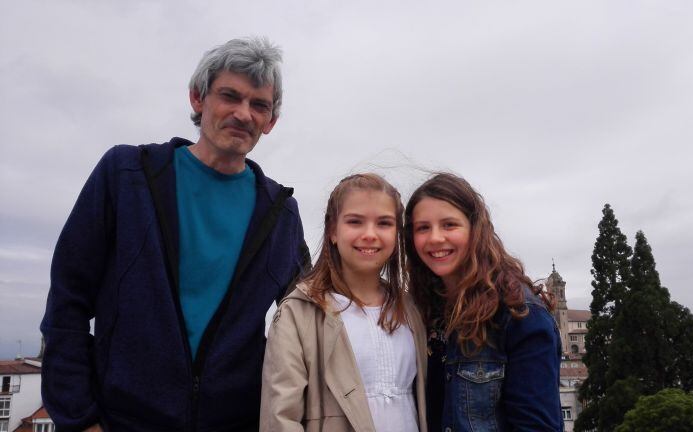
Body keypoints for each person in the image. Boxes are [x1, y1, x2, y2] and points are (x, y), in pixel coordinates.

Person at [40, 37, 309, 432]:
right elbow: (68, 300)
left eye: (259, 105)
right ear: (198, 99)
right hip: (122, 419)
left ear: (271, 122)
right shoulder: (127, 175)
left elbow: (307, 320)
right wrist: (79, 419)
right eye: (229, 96)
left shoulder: (281, 212)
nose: (243, 114)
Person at [260, 173, 428, 432]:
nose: (370, 234)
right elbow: (280, 418)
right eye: (355, 222)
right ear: (333, 232)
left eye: (384, 223)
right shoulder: (298, 313)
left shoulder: (411, 310)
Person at [405, 172, 563, 432]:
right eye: (423, 227)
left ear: (475, 229)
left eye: (449, 225)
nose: (434, 238)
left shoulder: (519, 315)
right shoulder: (418, 310)